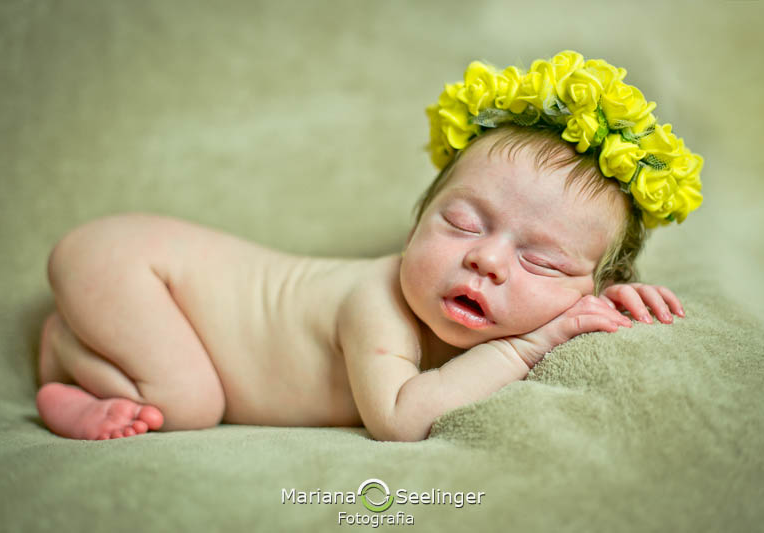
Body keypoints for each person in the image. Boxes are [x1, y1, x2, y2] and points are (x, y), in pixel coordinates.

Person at [35, 51, 703, 442]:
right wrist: (530, 342)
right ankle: (65, 350)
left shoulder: (543, 300)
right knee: (187, 404)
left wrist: (615, 304)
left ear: (584, 287)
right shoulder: (374, 302)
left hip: (150, 273)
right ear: (416, 223)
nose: (487, 259)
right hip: (136, 266)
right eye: (462, 224)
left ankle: (85, 332)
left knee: (186, 393)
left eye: (542, 261)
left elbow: (582, 313)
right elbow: (399, 417)